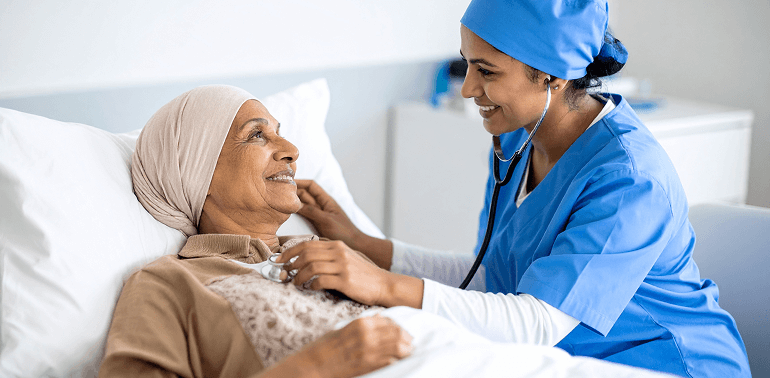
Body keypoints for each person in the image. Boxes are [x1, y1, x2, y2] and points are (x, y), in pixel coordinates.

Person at [277, 0, 752, 376]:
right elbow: (493, 277)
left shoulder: (629, 180)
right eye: (466, 65)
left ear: (551, 73)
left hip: (665, 364)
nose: (467, 89)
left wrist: (383, 285)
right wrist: (364, 245)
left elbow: (537, 321)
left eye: (486, 71)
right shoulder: (516, 136)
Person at [99, 85, 413, 378]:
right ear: (195, 173)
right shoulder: (166, 285)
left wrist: (357, 241)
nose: (292, 150)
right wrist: (314, 367)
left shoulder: (335, 251)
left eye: (280, 134)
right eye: (256, 136)